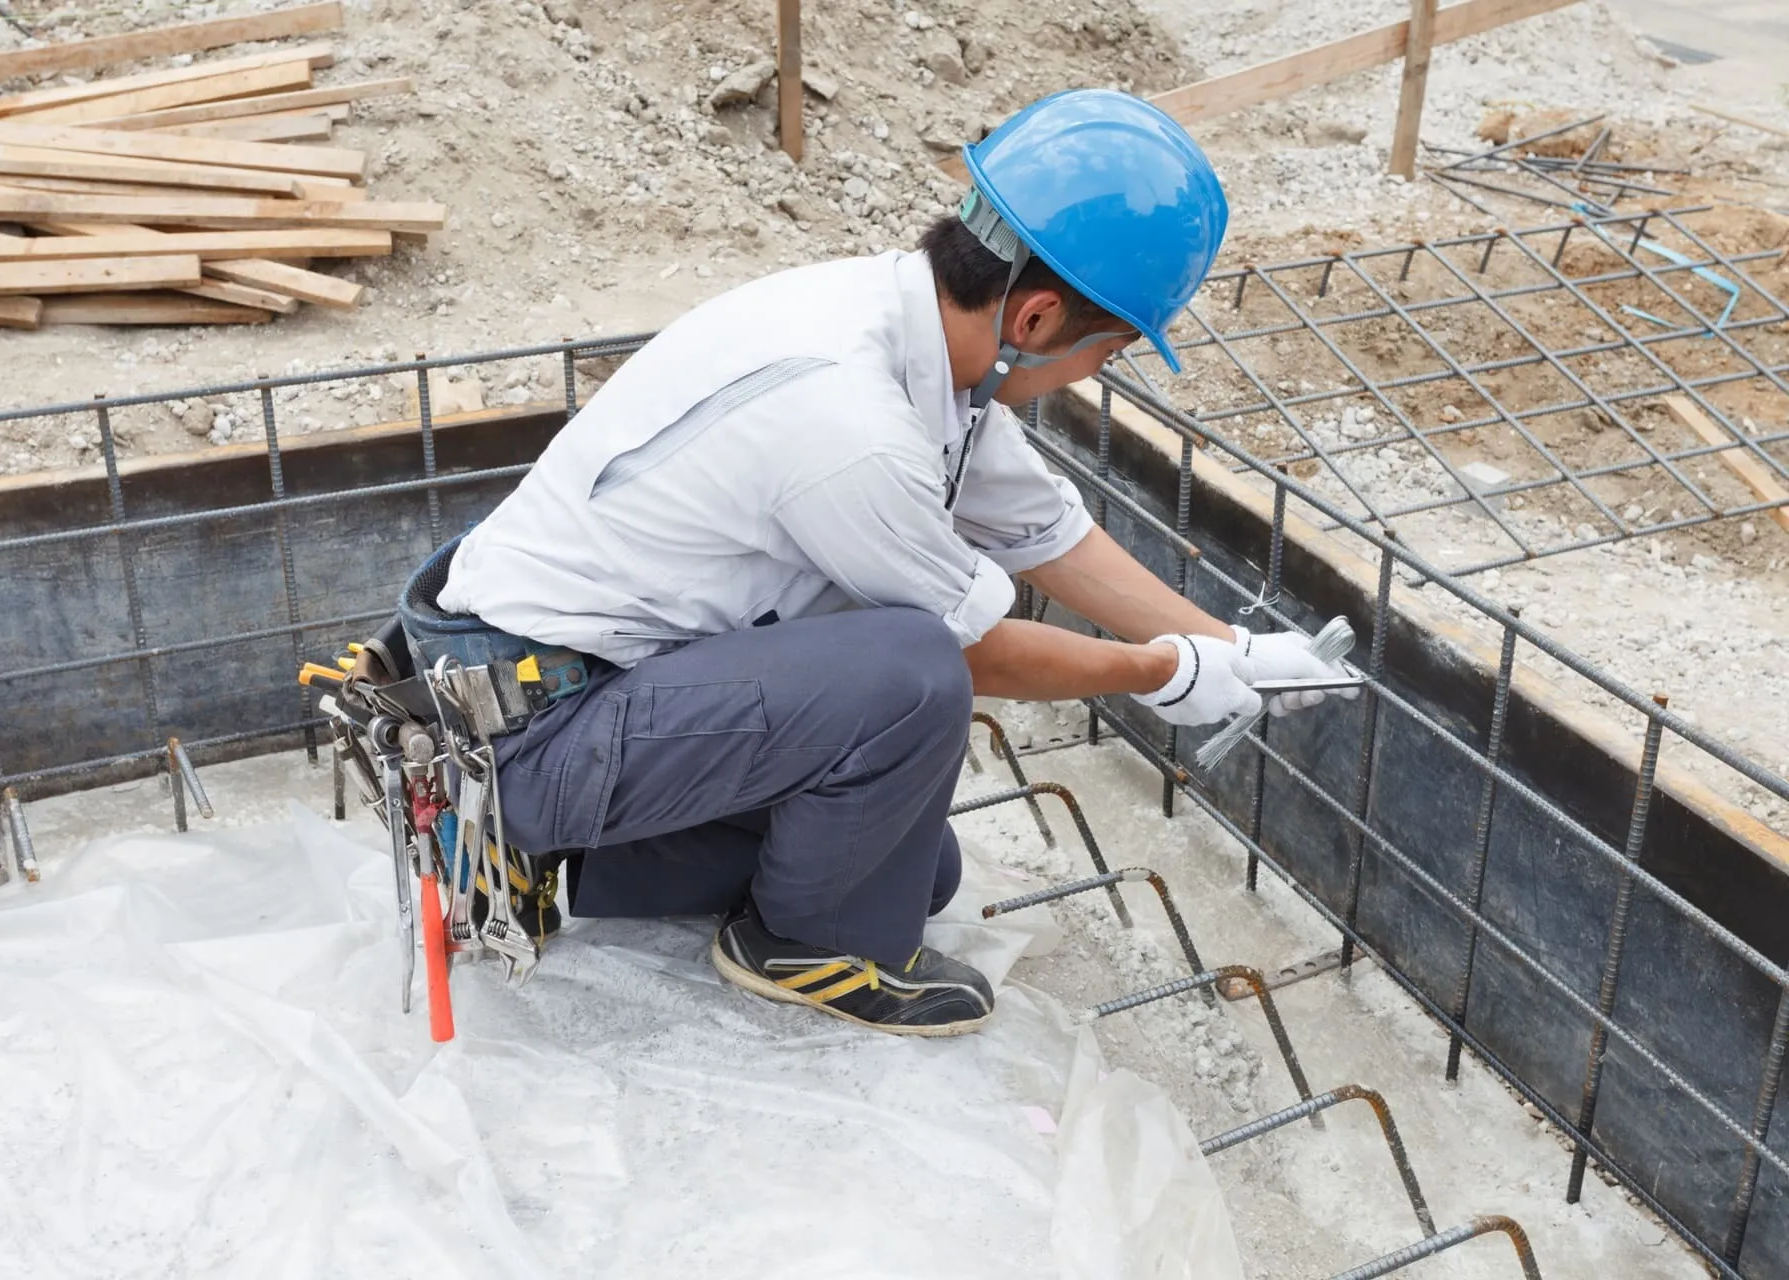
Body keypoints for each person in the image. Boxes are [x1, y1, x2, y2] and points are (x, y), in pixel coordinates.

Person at [432, 89, 1354, 1037]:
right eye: (1108, 354)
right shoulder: (850, 425)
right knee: (913, 673)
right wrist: (1161, 674)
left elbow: (1042, 530)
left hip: (577, 690)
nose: (1097, 373)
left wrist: (1232, 648)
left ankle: (545, 860)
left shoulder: (900, 326)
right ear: (1038, 318)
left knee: (914, 868)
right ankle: (801, 945)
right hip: (531, 723)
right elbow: (973, 651)